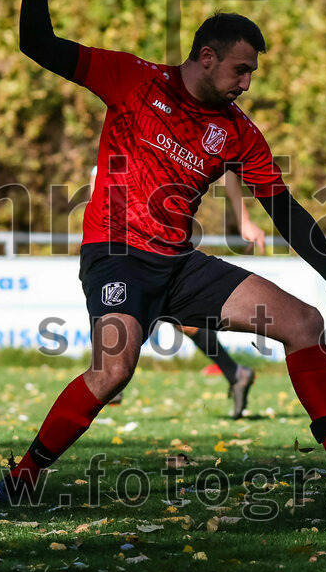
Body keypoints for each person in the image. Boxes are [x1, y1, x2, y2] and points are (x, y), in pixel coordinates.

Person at [0, 0, 326, 504]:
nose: (247, 83)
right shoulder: (133, 79)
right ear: (206, 57)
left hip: (178, 264)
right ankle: (22, 479)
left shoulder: (239, 133)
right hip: (117, 254)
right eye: (241, 70)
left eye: (252, 73)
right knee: (113, 372)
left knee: (304, 323)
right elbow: (38, 43)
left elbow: (284, 210)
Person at [90, 165, 262, 418]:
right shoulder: (113, 159)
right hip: (125, 250)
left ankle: (110, 376)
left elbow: (225, 169)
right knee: (149, 313)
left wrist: (243, 220)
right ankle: (236, 373)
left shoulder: (171, 149)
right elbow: (97, 193)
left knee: (160, 315)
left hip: (164, 247)